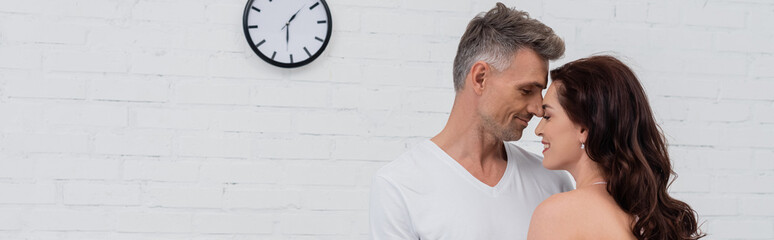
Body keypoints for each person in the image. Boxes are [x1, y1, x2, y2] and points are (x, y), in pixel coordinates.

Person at [369, 3, 573, 239]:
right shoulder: (398, 186)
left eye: (540, 92)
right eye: (526, 90)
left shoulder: (552, 180)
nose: (538, 109)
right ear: (480, 78)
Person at [528, 55, 705, 239]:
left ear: (584, 128)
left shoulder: (558, 213)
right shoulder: (648, 219)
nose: (538, 130)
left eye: (547, 116)